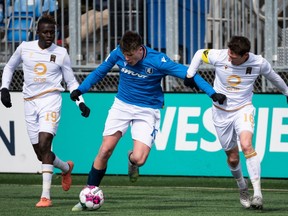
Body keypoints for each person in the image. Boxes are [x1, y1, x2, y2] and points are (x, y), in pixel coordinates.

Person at [69, 30, 226, 211]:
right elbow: (99, 72)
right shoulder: (117, 53)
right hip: (122, 105)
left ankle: (131, 161)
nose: (126, 59)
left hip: (148, 110)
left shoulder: (158, 61)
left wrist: (212, 93)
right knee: (105, 150)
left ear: (139, 49)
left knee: (140, 159)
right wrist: (81, 90)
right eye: (124, 54)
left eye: (130, 55)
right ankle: (88, 193)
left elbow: (190, 74)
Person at [185, 36, 288, 210]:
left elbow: (274, 77)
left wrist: (286, 92)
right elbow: (199, 53)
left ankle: (257, 194)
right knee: (233, 159)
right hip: (220, 112)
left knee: (247, 145)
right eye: (229, 52)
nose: (230, 56)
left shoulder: (258, 63)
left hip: (243, 109)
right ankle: (242, 187)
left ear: (245, 55)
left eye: (234, 55)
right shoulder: (220, 55)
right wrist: (190, 74)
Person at [0, 14, 90, 207]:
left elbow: (71, 81)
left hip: (51, 100)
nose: (49, 35)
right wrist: (4, 88)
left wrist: (80, 102)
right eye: (46, 32)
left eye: (52, 32)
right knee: (40, 154)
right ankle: (66, 168)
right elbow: (9, 67)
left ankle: (45, 197)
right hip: (29, 102)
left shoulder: (61, 53)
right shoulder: (25, 48)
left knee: (45, 143)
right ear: (38, 32)